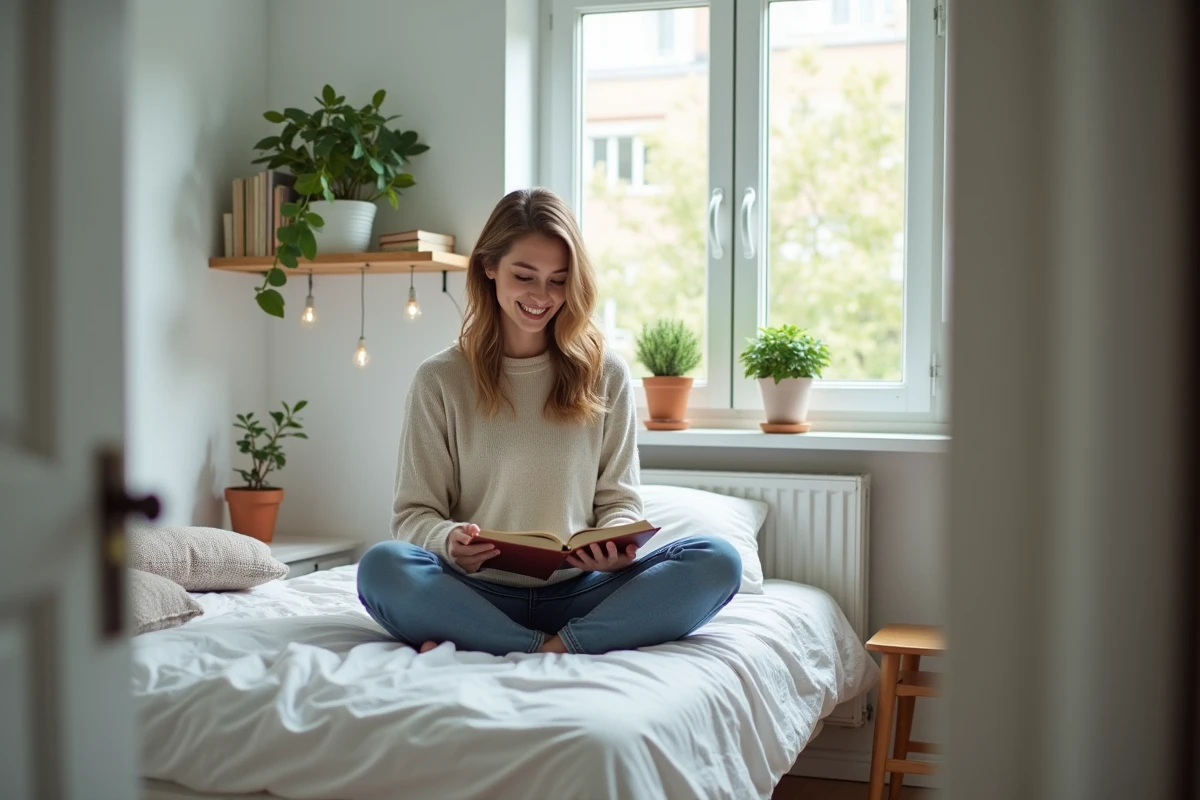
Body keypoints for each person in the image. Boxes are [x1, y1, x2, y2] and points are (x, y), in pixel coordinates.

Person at [356, 188, 741, 656]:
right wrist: (448, 540)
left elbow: (619, 501)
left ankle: (543, 646)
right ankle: (545, 646)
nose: (542, 296)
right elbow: (414, 515)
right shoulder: (439, 379)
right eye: (525, 276)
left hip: (584, 591)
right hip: (476, 593)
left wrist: (614, 546)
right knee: (382, 567)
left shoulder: (606, 374)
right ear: (489, 266)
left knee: (718, 561)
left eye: (559, 280)